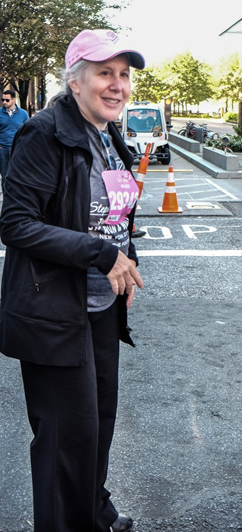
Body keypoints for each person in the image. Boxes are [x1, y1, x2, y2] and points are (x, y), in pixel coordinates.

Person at [0, 29, 145, 532]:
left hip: (101, 305)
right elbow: (15, 223)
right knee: (65, 435)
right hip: (53, 310)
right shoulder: (43, 132)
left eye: (124, 74)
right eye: (105, 72)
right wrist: (102, 252)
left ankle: (92, 513)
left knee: (97, 424)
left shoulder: (106, 133)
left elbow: (107, 214)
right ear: (75, 79)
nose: (117, 84)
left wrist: (122, 254)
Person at [0, 89, 29, 187]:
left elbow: (28, 131)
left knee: (18, 176)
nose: (4, 102)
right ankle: (6, 201)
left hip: (17, 149)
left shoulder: (23, 114)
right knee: (5, 177)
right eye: (3, 100)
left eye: (7, 100)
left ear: (14, 100)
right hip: (2, 150)